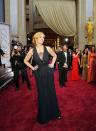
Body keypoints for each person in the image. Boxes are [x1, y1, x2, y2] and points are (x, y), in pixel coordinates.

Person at [24, 32, 61, 124]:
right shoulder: (32, 50)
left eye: (43, 37)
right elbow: (25, 60)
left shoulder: (47, 48)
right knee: (42, 93)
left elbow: (55, 55)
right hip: (39, 73)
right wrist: (32, 68)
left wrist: (52, 63)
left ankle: (55, 113)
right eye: (41, 37)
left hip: (48, 72)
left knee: (51, 92)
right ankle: (44, 115)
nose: (43, 39)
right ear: (36, 39)